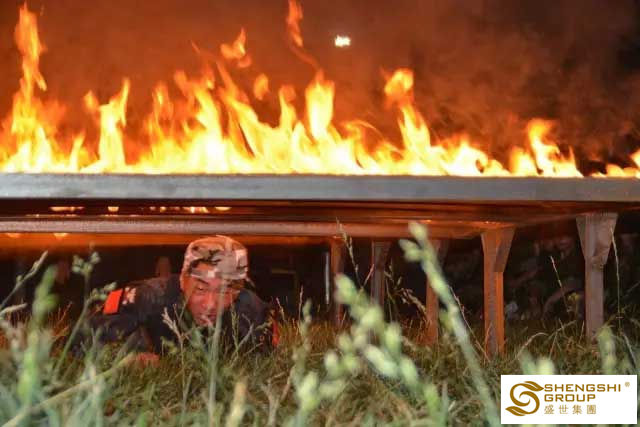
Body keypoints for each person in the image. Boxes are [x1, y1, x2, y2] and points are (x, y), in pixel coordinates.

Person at [74, 236, 278, 358]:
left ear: (237, 292)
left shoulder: (253, 312)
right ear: (182, 280)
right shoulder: (148, 297)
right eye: (200, 289)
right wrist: (121, 357)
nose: (210, 304)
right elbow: (78, 338)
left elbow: (270, 358)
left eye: (223, 292)